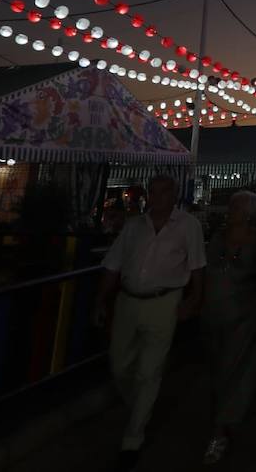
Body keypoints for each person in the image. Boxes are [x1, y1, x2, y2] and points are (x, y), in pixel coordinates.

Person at [93, 175, 206, 471]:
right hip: (128, 301)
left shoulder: (188, 226)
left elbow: (197, 267)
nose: (155, 197)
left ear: (173, 195)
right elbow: (113, 265)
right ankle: (141, 410)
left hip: (164, 301)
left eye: (161, 192)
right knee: (119, 364)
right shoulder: (133, 227)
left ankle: (133, 437)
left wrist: (193, 300)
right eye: (152, 192)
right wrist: (102, 300)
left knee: (149, 370)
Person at [200, 191, 256, 465]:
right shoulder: (218, 239)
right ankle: (222, 420)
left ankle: (221, 429)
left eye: (235, 207)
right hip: (214, 315)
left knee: (236, 370)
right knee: (220, 368)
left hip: (247, 316)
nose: (230, 210)